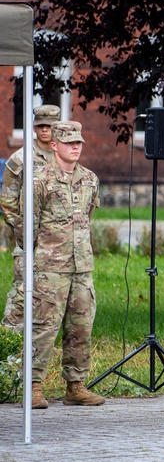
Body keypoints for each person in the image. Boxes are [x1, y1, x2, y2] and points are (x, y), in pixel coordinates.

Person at [30, 121, 105, 409]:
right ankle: (34, 386)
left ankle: (75, 386)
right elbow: (28, 227)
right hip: (50, 268)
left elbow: (87, 217)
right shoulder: (40, 180)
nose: (76, 146)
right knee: (44, 328)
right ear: (54, 145)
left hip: (82, 267)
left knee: (81, 327)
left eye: (79, 142)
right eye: (69, 142)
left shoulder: (90, 179)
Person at [1, 104, 60, 332]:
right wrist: (22, 231)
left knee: (52, 298)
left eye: (49, 126)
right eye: (40, 126)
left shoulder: (62, 156)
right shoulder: (21, 158)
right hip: (29, 242)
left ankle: (38, 349)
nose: (45, 131)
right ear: (34, 128)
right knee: (21, 296)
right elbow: (8, 201)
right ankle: (10, 346)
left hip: (58, 243)